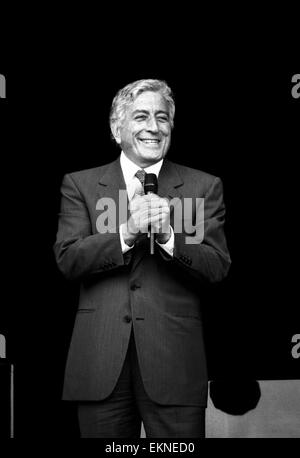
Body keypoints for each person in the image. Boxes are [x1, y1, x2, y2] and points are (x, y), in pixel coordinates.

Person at [53, 79, 231, 438]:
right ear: (116, 129)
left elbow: (217, 267)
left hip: (175, 366)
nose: (153, 126)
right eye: (141, 116)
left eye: (162, 117)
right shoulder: (80, 185)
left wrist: (169, 237)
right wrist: (127, 232)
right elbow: (68, 259)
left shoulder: (203, 187)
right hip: (99, 363)